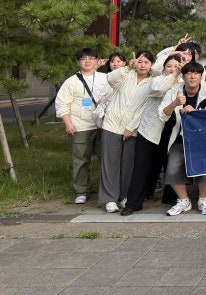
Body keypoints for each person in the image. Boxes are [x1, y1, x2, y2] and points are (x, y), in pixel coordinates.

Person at [120, 54, 184, 216]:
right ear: (163, 68)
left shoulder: (183, 84)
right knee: (141, 167)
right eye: (169, 66)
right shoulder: (156, 81)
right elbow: (157, 90)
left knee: (171, 165)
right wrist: (173, 75)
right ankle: (134, 203)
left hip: (172, 130)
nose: (173, 68)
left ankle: (171, 199)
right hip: (150, 130)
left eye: (176, 66)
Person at [98, 51, 156, 213]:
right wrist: (127, 68)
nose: (142, 65)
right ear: (134, 62)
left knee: (128, 165)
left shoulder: (152, 82)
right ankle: (109, 198)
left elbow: (145, 107)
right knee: (110, 164)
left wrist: (131, 127)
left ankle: (123, 196)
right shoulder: (125, 75)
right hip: (112, 124)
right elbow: (110, 79)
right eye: (140, 61)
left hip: (133, 129)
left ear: (151, 65)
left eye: (146, 62)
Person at [159, 59, 206, 216]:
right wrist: (175, 103)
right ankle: (184, 200)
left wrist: (196, 111)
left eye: (197, 73)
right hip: (180, 137)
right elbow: (162, 114)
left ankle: (203, 199)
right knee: (172, 167)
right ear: (183, 76)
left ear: (201, 76)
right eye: (189, 73)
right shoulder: (173, 91)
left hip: (202, 138)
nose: (193, 76)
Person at [55, 48, 109, 204]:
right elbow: (62, 103)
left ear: (97, 61)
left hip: (102, 125)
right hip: (80, 126)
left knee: (106, 159)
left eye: (91, 58)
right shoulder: (71, 81)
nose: (87, 61)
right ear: (78, 62)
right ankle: (81, 190)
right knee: (80, 160)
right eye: (83, 59)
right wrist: (68, 123)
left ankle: (105, 190)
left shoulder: (105, 78)